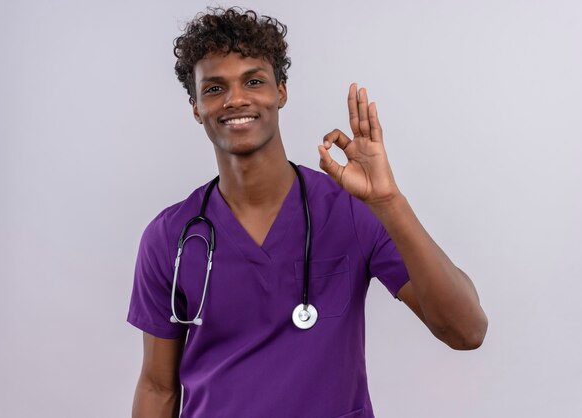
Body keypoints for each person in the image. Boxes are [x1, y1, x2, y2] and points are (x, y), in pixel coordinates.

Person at [127, 7, 488, 418]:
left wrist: (389, 202)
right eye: (213, 88)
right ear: (195, 107)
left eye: (254, 81)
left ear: (281, 91)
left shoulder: (352, 211)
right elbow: (157, 387)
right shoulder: (169, 237)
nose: (236, 99)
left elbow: (467, 331)